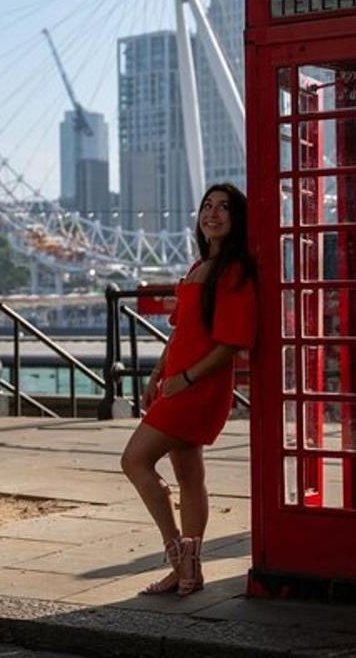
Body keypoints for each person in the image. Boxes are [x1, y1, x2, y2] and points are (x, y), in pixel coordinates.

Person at [120, 183, 257, 596]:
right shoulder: (200, 265)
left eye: (224, 208)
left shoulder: (234, 272)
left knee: (134, 461)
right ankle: (189, 572)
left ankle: (177, 555)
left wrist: (186, 379)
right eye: (207, 206)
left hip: (198, 387)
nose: (212, 214)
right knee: (189, 475)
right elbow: (181, 334)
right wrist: (157, 375)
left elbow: (232, 343)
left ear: (237, 220)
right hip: (178, 383)